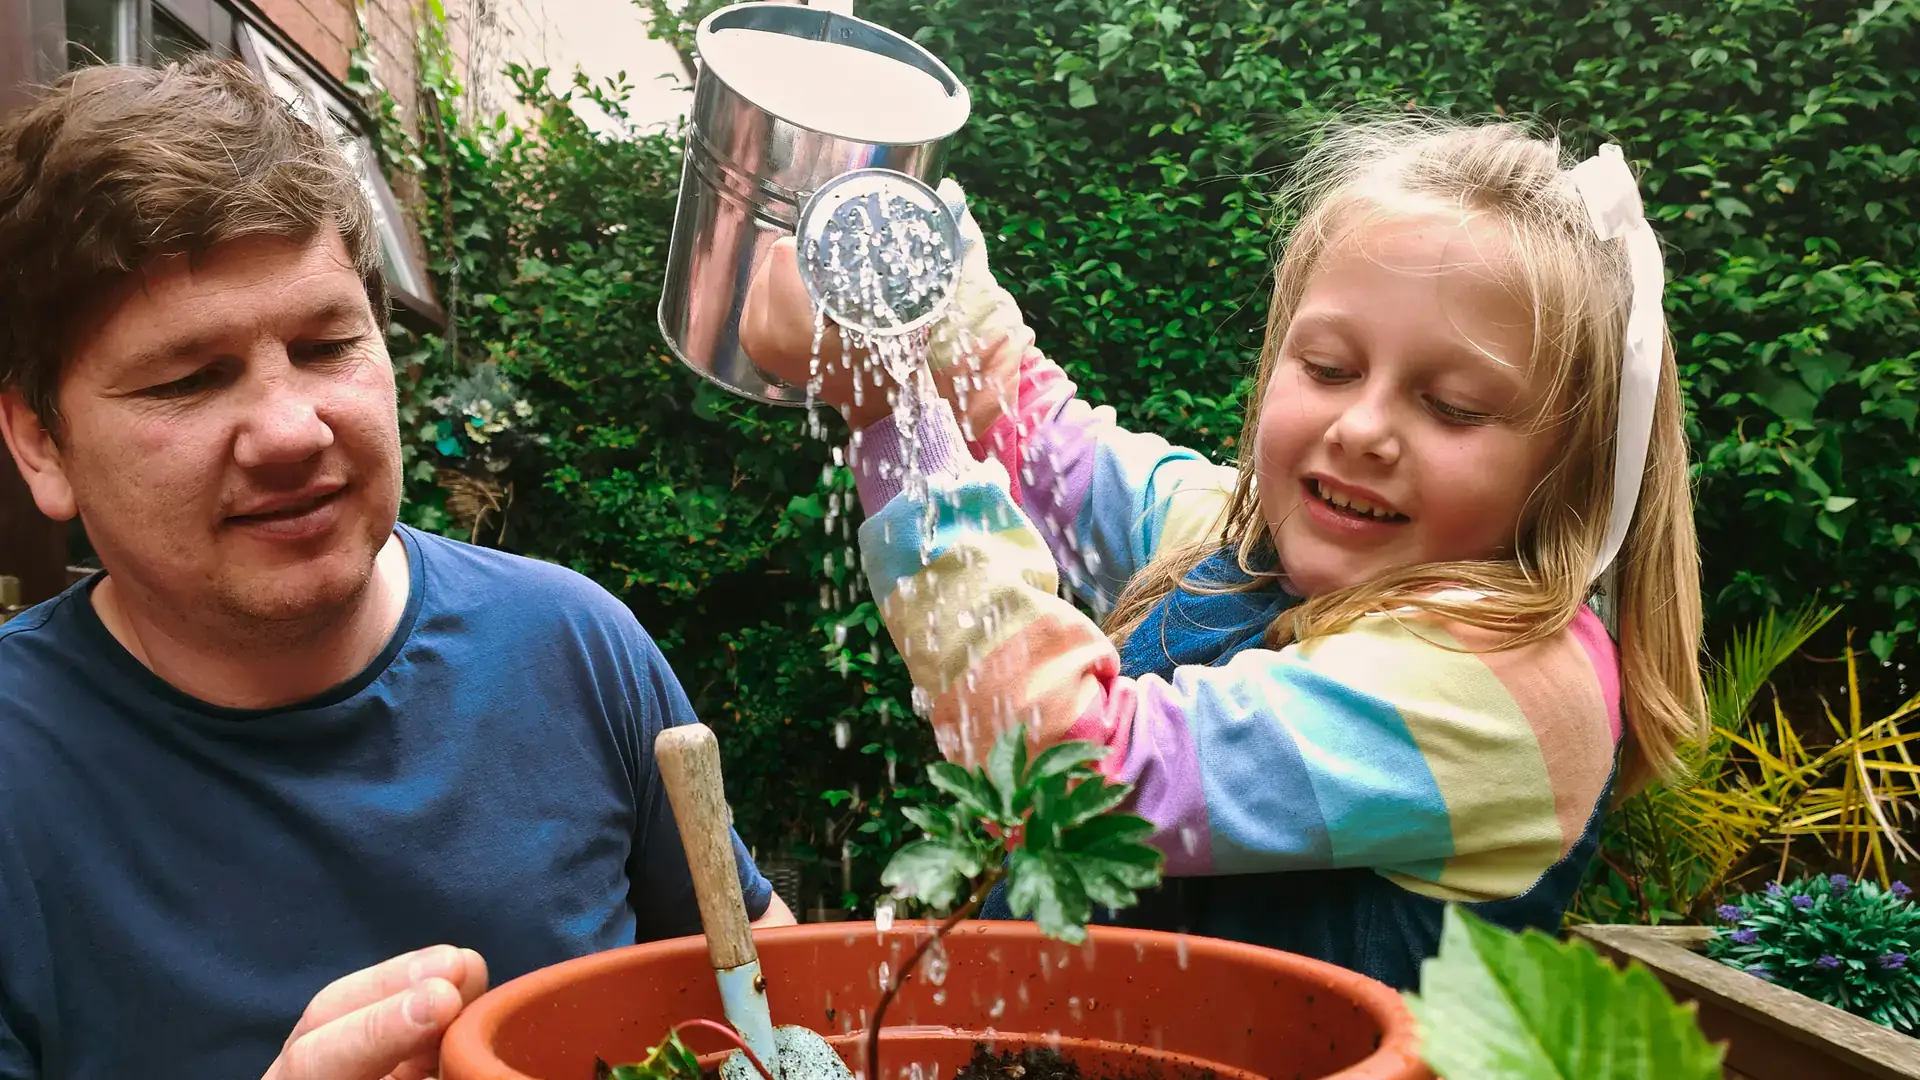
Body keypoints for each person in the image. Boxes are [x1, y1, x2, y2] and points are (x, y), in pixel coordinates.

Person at [739, 116, 1706, 988]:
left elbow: (1074, 781)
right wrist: (922, 269)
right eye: (1329, 367)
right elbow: (1046, 444)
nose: (1363, 428)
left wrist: (893, 418)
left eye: (1452, 408)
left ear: (1570, 471)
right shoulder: (1249, 541)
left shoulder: (1509, 682)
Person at [0, 57, 791, 1080]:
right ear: (40, 443)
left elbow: (768, 997)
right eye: (189, 379)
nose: (292, 430)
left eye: (326, 345)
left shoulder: (574, 647)